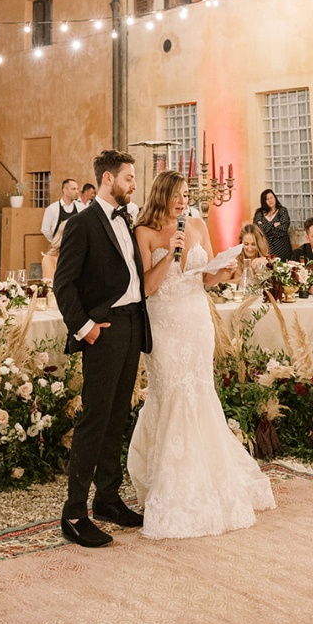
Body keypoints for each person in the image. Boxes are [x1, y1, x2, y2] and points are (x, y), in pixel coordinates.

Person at [128, 170, 274, 538]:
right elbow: (146, 287)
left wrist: (222, 271)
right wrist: (172, 252)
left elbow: (203, 277)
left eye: (185, 194)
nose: (182, 201)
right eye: (176, 195)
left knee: (198, 391)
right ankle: (166, 479)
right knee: (172, 392)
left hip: (195, 320)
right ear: (161, 195)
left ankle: (206, 475)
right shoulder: (143, 233)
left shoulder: (197, 224)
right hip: (163, 323)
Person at [53, 149, 150, 548]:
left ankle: (107, 498)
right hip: (104, 329)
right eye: (128, 177)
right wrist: (86, 328)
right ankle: (74, 512)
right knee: (95, 418)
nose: (133, 184)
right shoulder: (82, 223)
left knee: (117, 416)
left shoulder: (126, 219)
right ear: (108, 179)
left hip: (131, 325)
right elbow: (63, 283)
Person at [252, 188, 292, 260]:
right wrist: (274, 225)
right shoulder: (259, 213)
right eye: (267, 199)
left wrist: (264, 227)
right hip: (265, 248)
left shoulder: (282, 211)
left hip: (282, 247)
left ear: (275, 198)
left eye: (271, 198)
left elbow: (283, 228)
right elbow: (256, 229)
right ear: (264, 201)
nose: (270, 200)